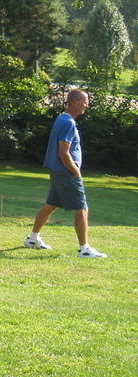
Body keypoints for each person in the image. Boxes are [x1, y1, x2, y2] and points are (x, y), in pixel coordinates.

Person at [24, 89, 107, 258]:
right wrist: (76, 172)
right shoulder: (68, 122)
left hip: (58, 172)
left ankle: (33, 239)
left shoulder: (62, 118)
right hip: (67, 173)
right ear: (75, 102)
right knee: (82, 209)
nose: (87, 105)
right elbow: (64, 152)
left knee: (50, 205)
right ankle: (84, 249)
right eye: (85, 102)